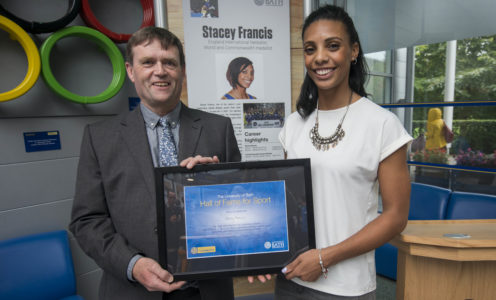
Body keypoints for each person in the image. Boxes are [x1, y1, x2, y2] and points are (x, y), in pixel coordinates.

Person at [250, 5, 412, 299]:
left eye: (333, 46)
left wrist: (325, 257)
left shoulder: (382, 124)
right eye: (311, 49)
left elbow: (396, 217)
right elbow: (286, 203)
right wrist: (258, 250)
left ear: (353, 51)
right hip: (291, 278)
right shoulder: (294, 124)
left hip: (347, 287)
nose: (320, 57)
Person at [69, 26, 240, 300]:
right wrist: (132, 264)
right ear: (130, 71)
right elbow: (86, 220)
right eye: (148, 62)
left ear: (182, 71)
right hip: (132, 291)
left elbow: (238, 204)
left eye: (169, 62)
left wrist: (215, 184)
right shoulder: (99, 138)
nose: (160, 71)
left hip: (206, 291)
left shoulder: (218, 128)